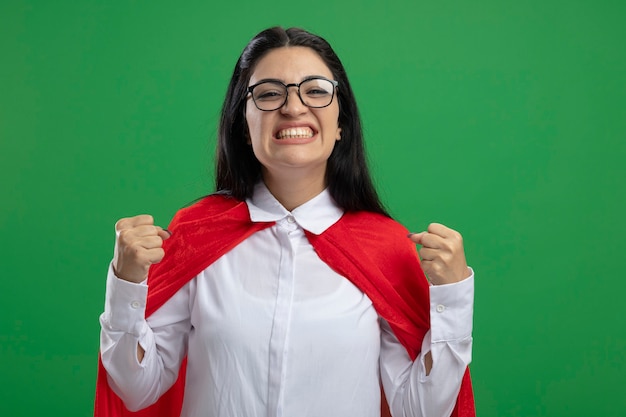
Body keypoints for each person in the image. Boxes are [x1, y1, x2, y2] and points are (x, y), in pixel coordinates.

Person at [95, 27, 475, 417]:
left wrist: (453, 298)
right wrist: (126, 284)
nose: (293, 108)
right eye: (270, 93)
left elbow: (422, 409)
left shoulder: (386, 248)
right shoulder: (196, 235)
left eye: (315, 90)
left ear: (341, 120)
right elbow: (137, 390)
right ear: (243, 124)